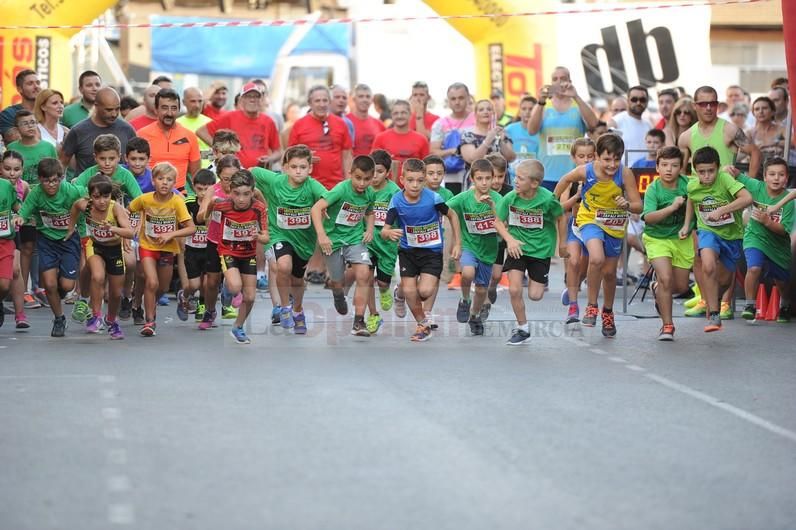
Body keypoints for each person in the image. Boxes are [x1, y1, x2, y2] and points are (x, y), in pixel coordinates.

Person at [554, 133, 643, 338]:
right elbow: (566, 179)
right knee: (596, 258)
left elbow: (638, 206)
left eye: (616, 159)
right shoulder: (587, 170)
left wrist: (627, 204)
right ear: (596, 156)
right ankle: (592, 306)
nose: (612, 164)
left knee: (610, 273)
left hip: (614, 224)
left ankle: (608, 312)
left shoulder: (625, 174)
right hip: (589, 219)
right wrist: (552, 199)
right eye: (607, 159)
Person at [380, 158, 462, 342]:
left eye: (419, 180)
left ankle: (399, 293)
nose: (415, 185)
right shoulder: (396, 200)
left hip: (431, 252)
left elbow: (453, 215)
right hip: (408, 252)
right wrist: (388, 233)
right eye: (410, 180)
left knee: (424, 292)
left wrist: (457, 243)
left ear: (424, 180)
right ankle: (422, 324)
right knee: (411, 291)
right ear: (402, 179)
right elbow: (384, 230)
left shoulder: (433, 198)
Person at [251, 145, 327, 335]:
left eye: (303, 167)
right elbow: (251, 172)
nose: (298, 171)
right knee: (283, 266)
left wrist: (325, 215)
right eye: (293, 167)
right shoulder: (275, 181)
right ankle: (285, 308)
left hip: (304, 240)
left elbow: (329, 199)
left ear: (310, 168)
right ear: (285, 168)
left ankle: (298, 310)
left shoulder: (313, 186)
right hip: (279, 234)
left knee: (297, 279)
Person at [680, 146, 752, 332]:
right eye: (701, 172)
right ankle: (713, 315)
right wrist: (687, 225)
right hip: (707, 231)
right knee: (708, 264)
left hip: (732, 235)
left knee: (725, 281)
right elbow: (691, 200)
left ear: (718, 168)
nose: (706, 176)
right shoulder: (692, 185)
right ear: (695, 171)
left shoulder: (725, 179)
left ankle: (716, 300)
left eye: (711, 171)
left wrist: (721, 210)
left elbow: (747, 198)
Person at [496, 159, 567, 345]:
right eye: (515, 177)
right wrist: (510, 240)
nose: (516, 182)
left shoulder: (547, 199)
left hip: (541, 250)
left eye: (521, 178)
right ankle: (523, 328)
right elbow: (497, 221)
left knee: (535, 295)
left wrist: (562, 245)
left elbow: (561, 218)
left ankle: (540, 280)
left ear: (534, 183)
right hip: (517, 248)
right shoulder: (511, 197)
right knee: (514, 289)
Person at [13, 158, 86, 337]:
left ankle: (61, 285)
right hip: (46, 240)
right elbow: (25, 209)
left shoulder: (71, 191)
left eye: (55, 180)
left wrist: (83, 233)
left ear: (61, 178)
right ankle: (59, 318)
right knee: (50, 284)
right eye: (46, 181)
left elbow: (86, 198)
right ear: (40, 180)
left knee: (67, 286)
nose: (51, 185)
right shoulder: (37, 193)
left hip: (69, 240)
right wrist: (20, 218)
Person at [127, 162, 196, 337]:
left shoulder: (177, 202)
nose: (164, 183)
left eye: (169, 180)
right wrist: (132, 226)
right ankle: (150, 321)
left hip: (167, 248)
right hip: (147, 246)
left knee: (163, 287)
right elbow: (127, 211)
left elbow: (191, 228)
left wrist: (171, 234)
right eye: (160, 178)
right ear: (153, 180)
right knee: (152, 282)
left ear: (174, 183)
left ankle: (149, 303)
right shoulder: (144, 199)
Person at [311, 155, 376, 336]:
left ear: (372, 178)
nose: (362, 183)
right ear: (350, 174)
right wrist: (322, 235)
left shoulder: (370, 193)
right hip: (333, 241)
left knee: (364, 274)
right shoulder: (341, 190)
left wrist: (369, 229)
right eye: (358, 178)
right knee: (337, 280)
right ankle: (338, 293)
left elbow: (370, 212)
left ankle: (359, 322)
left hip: (355, 239)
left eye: (367, 179)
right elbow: (316, 209)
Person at [65, 175, 134, 338]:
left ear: (110, 196)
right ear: (90, 196)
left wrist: (114, 229)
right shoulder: (86, 206)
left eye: (105, 196)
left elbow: (130, 232)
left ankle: (111, 320)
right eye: (96, 197)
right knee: (98, 276)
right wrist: (70, 228)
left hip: (114, 250)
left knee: (116, 293)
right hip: (95, 246)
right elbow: (75, 207)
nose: (101, 201)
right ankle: (96, 316)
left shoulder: (115, 208)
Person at [205, 169, 268, 344]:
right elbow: (204, 216)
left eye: (246, 194)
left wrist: (257, 235)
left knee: (250, 297)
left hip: (248, 254)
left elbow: (266, 236)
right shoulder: (223, 205)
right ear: (230, 192)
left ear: (252, 192)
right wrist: (210, 206)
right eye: (237, 194)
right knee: (235, 286)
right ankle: (229, 288)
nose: (241, 199)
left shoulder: (258, 208)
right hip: (228, 251)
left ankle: (238, 327)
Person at [640, 146, 693, 341]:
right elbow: (649, 217)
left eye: (674, 165)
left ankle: (656, 288)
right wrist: (672, 207)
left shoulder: (688, 184)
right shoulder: (653, 189)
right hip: (657, 239)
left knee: (679, 287)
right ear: (657, 167)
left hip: (681, 239)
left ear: (681, 168)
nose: (669, 169)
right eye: (664, 165)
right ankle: (667, 325)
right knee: (666, 279)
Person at [446, 158, 504, 335]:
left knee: (481, 289)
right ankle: (464, 300)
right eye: (480, 178)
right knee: (468, 272)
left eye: (488, 178)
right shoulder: (464, 198)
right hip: (469, 246)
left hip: (488, 250)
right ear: (472, 179)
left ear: (493, 178)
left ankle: (475, 315)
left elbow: (502, 225)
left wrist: (493, 207)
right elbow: (445, 209)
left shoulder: (498, 198)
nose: (484, 182)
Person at [731, 158, 793, 322]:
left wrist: (768, 221)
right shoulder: (756, 187)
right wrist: (728, 169)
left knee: (781, 281)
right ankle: (750, 304)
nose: (776, 178)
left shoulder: (789, 201)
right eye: (772, 174)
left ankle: (785, 304)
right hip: (755, 237)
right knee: (754, 268)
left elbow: (783, 230)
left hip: (778, 244)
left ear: (787, 178)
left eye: (781, 175)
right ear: (765, 177)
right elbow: (737, 174)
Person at [527, 66, 599, 190]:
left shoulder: (579, 104)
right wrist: (541, 102)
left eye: (563, 78)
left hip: (575, 174)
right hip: (547, 175)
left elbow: (593, 124)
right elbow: (531, 130)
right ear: (551, 83)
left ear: (570, 82)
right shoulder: (543, 105)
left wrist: (576, 96)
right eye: (555, 79)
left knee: (573, 209)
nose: (559, 82)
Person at [196, 155, 243, 329]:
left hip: (237, 241)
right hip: (215, 241)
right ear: (218, 176)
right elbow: (200, 217)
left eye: (235, 179)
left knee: (237, 277)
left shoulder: (244, 191)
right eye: (226, 179)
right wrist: (211, 206)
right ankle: (209, 311)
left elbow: (261, 204)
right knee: (212, 281)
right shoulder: (213, 191)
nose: (230, 183)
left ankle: (233, 292)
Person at [678, 85, 761, 178]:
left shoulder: (730, 130)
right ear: (694, 106)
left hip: (726, 190)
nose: (708, 108)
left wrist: (750, 183)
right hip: (697, 191)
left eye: (712, 103)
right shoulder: (686, 136)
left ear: (717, 104)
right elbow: (681, 171)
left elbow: (755, 152)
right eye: (703, 104)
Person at [197, 83, 282, 171]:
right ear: (242, 100)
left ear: (261, 100)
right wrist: (221, 150)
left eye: (256, 96)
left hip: (260, 175)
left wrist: (270, 159)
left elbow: (278, 152)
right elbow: (201, 131)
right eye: (248, 96)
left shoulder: (268, 121)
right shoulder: (230, 117)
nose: (252, 99)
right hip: (234, 173)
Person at [288, 85, 353, 190]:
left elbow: (347, 157)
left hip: (336, 186)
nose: (322, 104)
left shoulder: (341, 124)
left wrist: (348, 184)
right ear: (310, 103)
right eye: (317, 101)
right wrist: (304, 158)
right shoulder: (299, 125)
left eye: (325, 100)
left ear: (330, 102)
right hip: (307, 186)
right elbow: (289, 156)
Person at [559, 138, 595, 324]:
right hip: (576, 226)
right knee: (573, 261)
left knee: (588, 266)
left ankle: (575, 284)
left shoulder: (601, 177)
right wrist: (576, 196)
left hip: (595, 227)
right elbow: (561, 207)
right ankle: (573, 306)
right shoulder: (571, 178)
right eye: (581, 156)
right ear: (574, 158)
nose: (586, 160)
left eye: (590, 156)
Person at [61, 87, 136, 175]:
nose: (114, 114)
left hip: (120, 187)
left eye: (117, 109)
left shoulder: (127, 130)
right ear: (96, 106)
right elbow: (62, 163)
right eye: (109, 110)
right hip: (86, 187)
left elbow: (137, 159)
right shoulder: (78, 131)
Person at [138, 88, 201, 192]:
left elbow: (196, 175)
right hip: (149, 194)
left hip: (180, 196)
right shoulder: (141, 135)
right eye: (164, 108)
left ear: (179, 110)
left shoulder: (190, 136)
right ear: (156, 109)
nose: (169, 113)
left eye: (174, 108)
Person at [365, 150, 401, 334]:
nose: (374, 176)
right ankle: (373, 315)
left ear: (387, 172)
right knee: (366, 278)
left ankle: (386, 291)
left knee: (382, 282)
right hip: (368, 240)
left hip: (387, 243)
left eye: (379, 171)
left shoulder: (394, 192)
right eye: (372, 171)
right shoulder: (364, 188)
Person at [180, 169, 215, 322]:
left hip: (209, 249)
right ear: (193, 187)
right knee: (193, 284)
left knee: (207, 283)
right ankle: (184, 295)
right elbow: (180, 223)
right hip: (192, 249)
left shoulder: (216, 203)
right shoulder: (188, 204)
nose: (203, 193)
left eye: (206, 189)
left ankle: (203, 306)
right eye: (199, 189)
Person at [0, 151, 31, 328]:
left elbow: (22, 208)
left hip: (11, 233)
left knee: (14, 271)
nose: (12, 173)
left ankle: (20, 314)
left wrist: (21, 216)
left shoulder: (20, 186)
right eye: (7, 168)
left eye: (16, 169)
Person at [429, 82, 475, 195]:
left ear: (468, 98)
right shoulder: (440, 124)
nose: (457, 102)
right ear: (448, 101)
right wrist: (453, 151)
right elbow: (433, 151)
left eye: (461, 98)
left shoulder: (478, 119)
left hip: (476, 174)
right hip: (451, 175)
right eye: (453, 99)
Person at [460, 99, 516, 178]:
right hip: (477, 181)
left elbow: (511, 158)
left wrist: (499, 140)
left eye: (489, 109)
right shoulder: (468, 135)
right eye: (481, 110)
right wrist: (488, 140)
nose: (485, 112)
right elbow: (472, 159)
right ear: (475, 114)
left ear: (493, 113)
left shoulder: (501, 131)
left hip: (500, 180)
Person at [371, 100, 430, 171]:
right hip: (388, 182)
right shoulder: (380, 138)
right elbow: (373, 166)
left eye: (403, 113)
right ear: (391, 115)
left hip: (413, 182)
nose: (399, 116)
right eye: (396, 113)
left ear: (410, 115)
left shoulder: (422, 139)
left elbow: (427, 167)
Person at [7, 110, 57, 184]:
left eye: (33, 122)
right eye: (25, 123)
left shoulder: (48, 147)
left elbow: (56, 172)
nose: (30, 126)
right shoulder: (11, 148)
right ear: (17, 129)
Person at [0, 160, 21, 330]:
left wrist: (19, 216)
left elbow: (17, 207)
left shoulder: (6, 186)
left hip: (5, 241)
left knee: (4, 284)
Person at [609, 85, 652, 166]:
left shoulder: (648, 124)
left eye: (642, 100)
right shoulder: (616, 121)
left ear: (647, 102)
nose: (638, 103)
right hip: (624, 174)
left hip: (646, 174)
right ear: (628, 101)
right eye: (634, 99)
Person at [503, 95, 539, 184]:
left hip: (534, 179)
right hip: (513, 178)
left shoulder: (541, 130)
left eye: (531, 109)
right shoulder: (509, 129)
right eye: (524, 109)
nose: (527, 112)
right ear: (519, 112)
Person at [0, 70, 41, 143]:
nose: (36, 86)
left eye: (38, 83)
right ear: (19, 89)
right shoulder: (8, 114)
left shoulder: (49, 111)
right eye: (30, 83)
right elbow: (18, 141)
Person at [177, 87, 213, 169]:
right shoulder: (176, 124)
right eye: (193, 101)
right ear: (183, 102)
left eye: (200, 101)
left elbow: (217, 151)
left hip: (209, 172)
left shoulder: (211, 123)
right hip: (186, 172)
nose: (197, 105)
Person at [347, 84, 385, 157]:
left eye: (368, 96)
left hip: (374, 167)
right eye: (361, 96)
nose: (364, 100)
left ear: (371, 100)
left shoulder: (379, 124)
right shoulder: (345, 122)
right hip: (351, 167)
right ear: (354, 99)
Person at [748, 96, 786, 160]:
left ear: (773, 112)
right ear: (753, 113)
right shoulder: (749, 133)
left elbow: (793, 142)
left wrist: (774, 143)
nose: (761, 111)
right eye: (757, 109)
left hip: (778, 167)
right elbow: (740, 152)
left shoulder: (781, 129)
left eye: (765, 108)